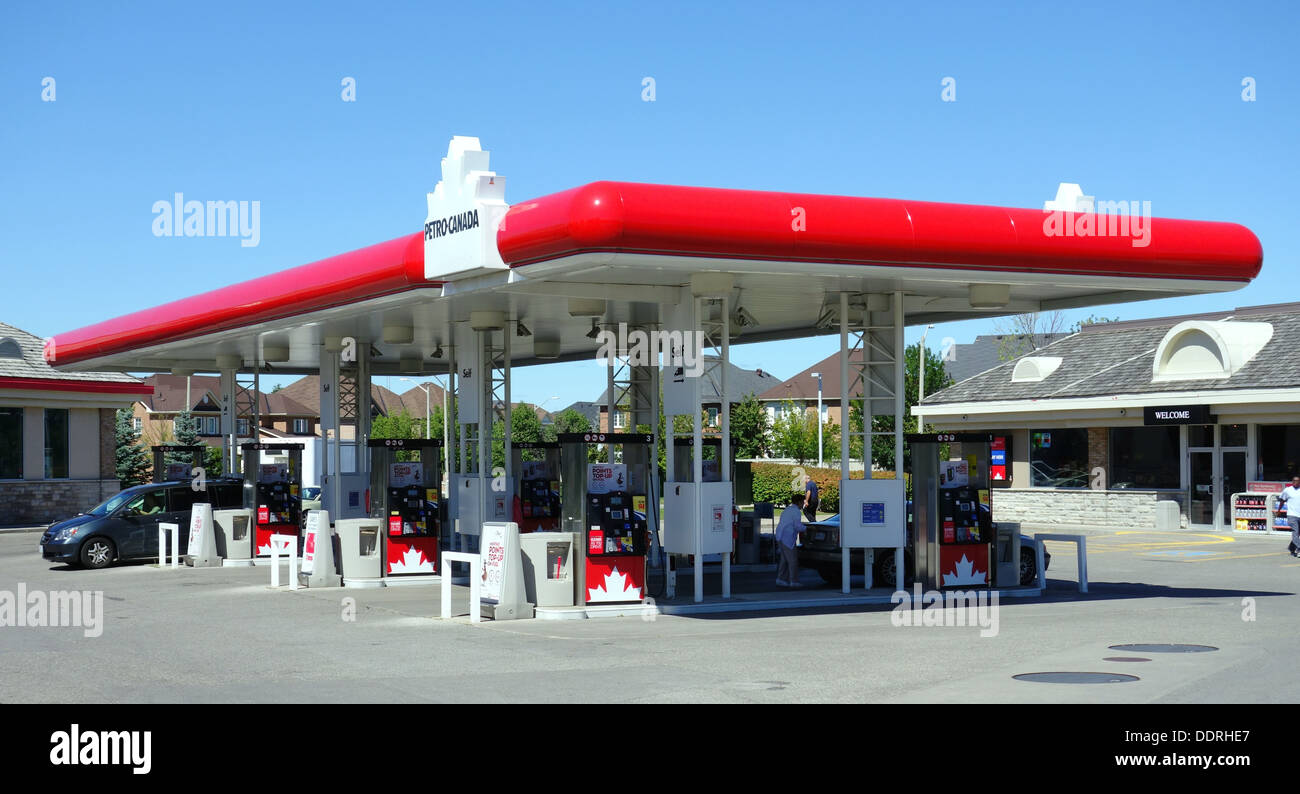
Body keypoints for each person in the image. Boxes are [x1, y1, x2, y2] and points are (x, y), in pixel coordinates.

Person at [775, 493, 806, 588]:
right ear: (799, 502)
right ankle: (794, 580)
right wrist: (806, 528)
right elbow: (797, 526)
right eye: (803, 502)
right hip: (787, 537)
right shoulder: (796, 512)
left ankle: (781, 579)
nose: (803, 504)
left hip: (780, 536)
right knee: (793, 560)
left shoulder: (787, 509)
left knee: (784, 559)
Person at [1283, 476, 1300, 557]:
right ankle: (1299, 548)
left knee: (1297, 533)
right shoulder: (1287, 490)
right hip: (1292, 515)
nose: (1296, 482)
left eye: (1298, 481)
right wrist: (1279, 511)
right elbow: (1282, 500)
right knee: (1295, 532)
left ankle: (1291, 547)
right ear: (1292, 482)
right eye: (1295, 481)